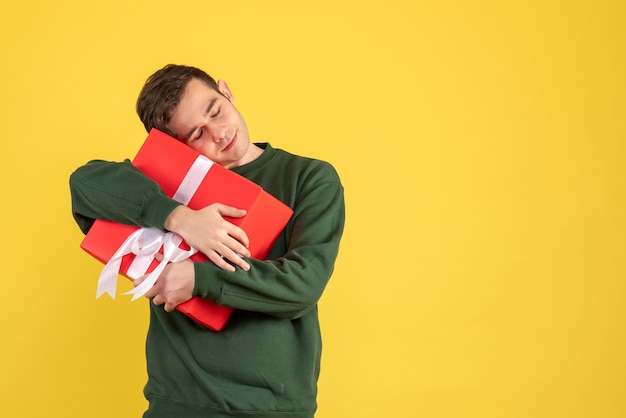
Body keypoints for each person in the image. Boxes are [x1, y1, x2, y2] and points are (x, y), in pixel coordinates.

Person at [69, 64, 345, 418]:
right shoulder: (169, 186)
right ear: (176, 147)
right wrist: (180, 218)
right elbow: (84, 184)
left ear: (227, 92)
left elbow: (304, 284)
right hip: (176, 403)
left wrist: (197, 279)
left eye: (216, 110)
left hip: (272, 408)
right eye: (196, 134)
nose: (218, 133)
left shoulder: (309, 178)